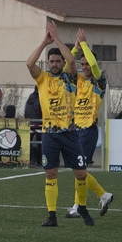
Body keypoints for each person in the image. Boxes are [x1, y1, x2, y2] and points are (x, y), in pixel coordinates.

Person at [26, 21, 93, 227]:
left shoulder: (69, 77)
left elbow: (71, 59)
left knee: (80, 173)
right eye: (52, 61)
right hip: (49, 133)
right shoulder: (42, 79)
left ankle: (81, 206)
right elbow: (29, 64)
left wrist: (57, 39)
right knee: (50, 173)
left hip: (69, 133)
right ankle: (52, 215)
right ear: (48, 63)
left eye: (57, 61)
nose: (55, 64)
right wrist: (44, 43)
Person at [65, 29, 114, 218]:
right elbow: (65, 67)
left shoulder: (100, 81)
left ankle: (78, 206)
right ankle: (104, 195)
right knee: (79, 171)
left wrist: (84, 44)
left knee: (79, 170)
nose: (84, 67)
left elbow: (94, 65)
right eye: (82, 64)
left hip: (88, 130)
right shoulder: (77, 80)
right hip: (75, 129)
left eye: (86, 64)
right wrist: (76, 49)